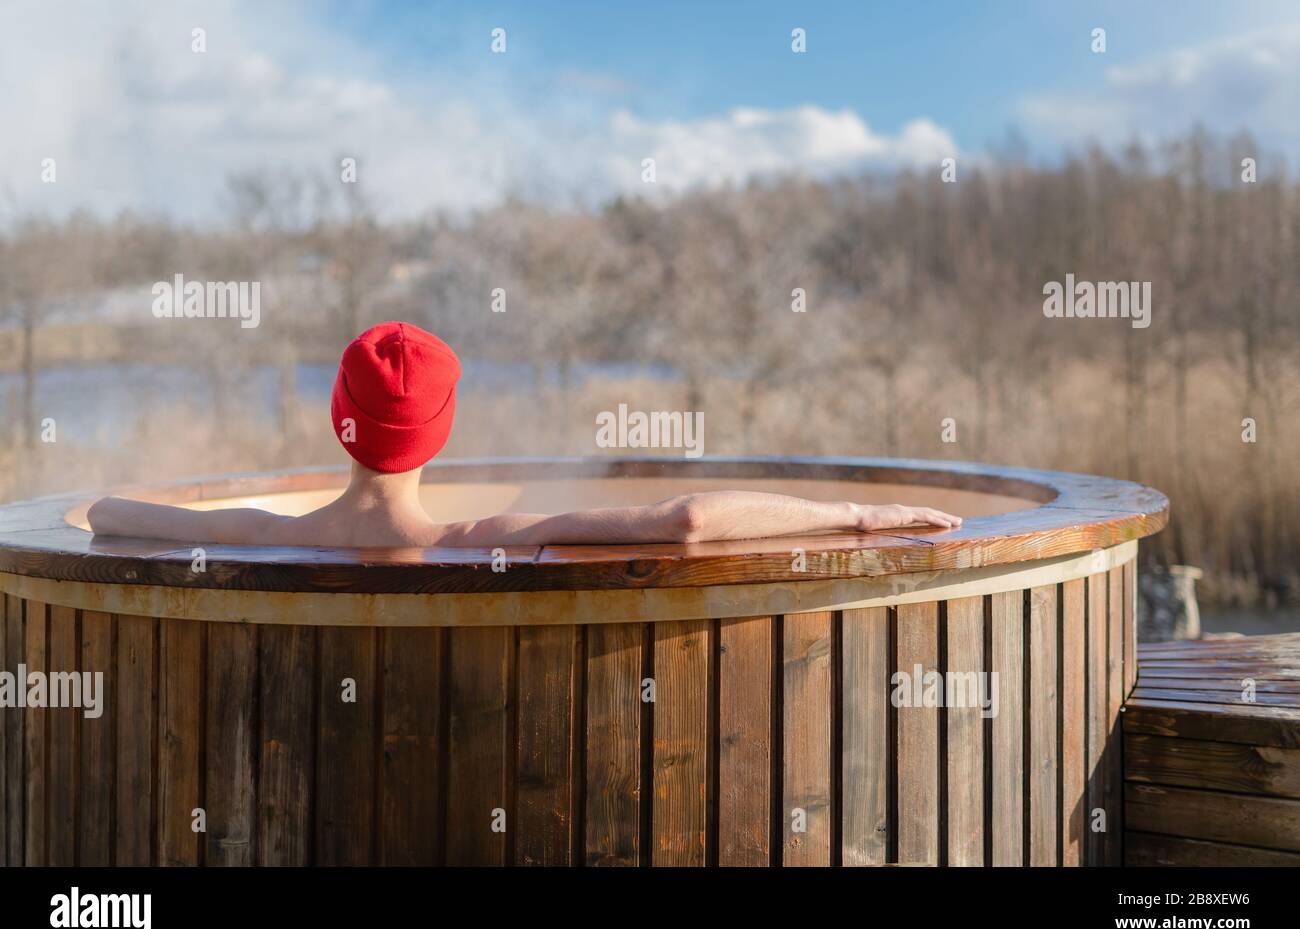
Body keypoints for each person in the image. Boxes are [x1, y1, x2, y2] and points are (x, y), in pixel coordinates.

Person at [88, 323, 961, 547]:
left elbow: (108, 513)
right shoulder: (471, 543)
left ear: (340, 423)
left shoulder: (264, 536)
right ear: (440, 432)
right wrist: (857, 511)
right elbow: (688, 521)